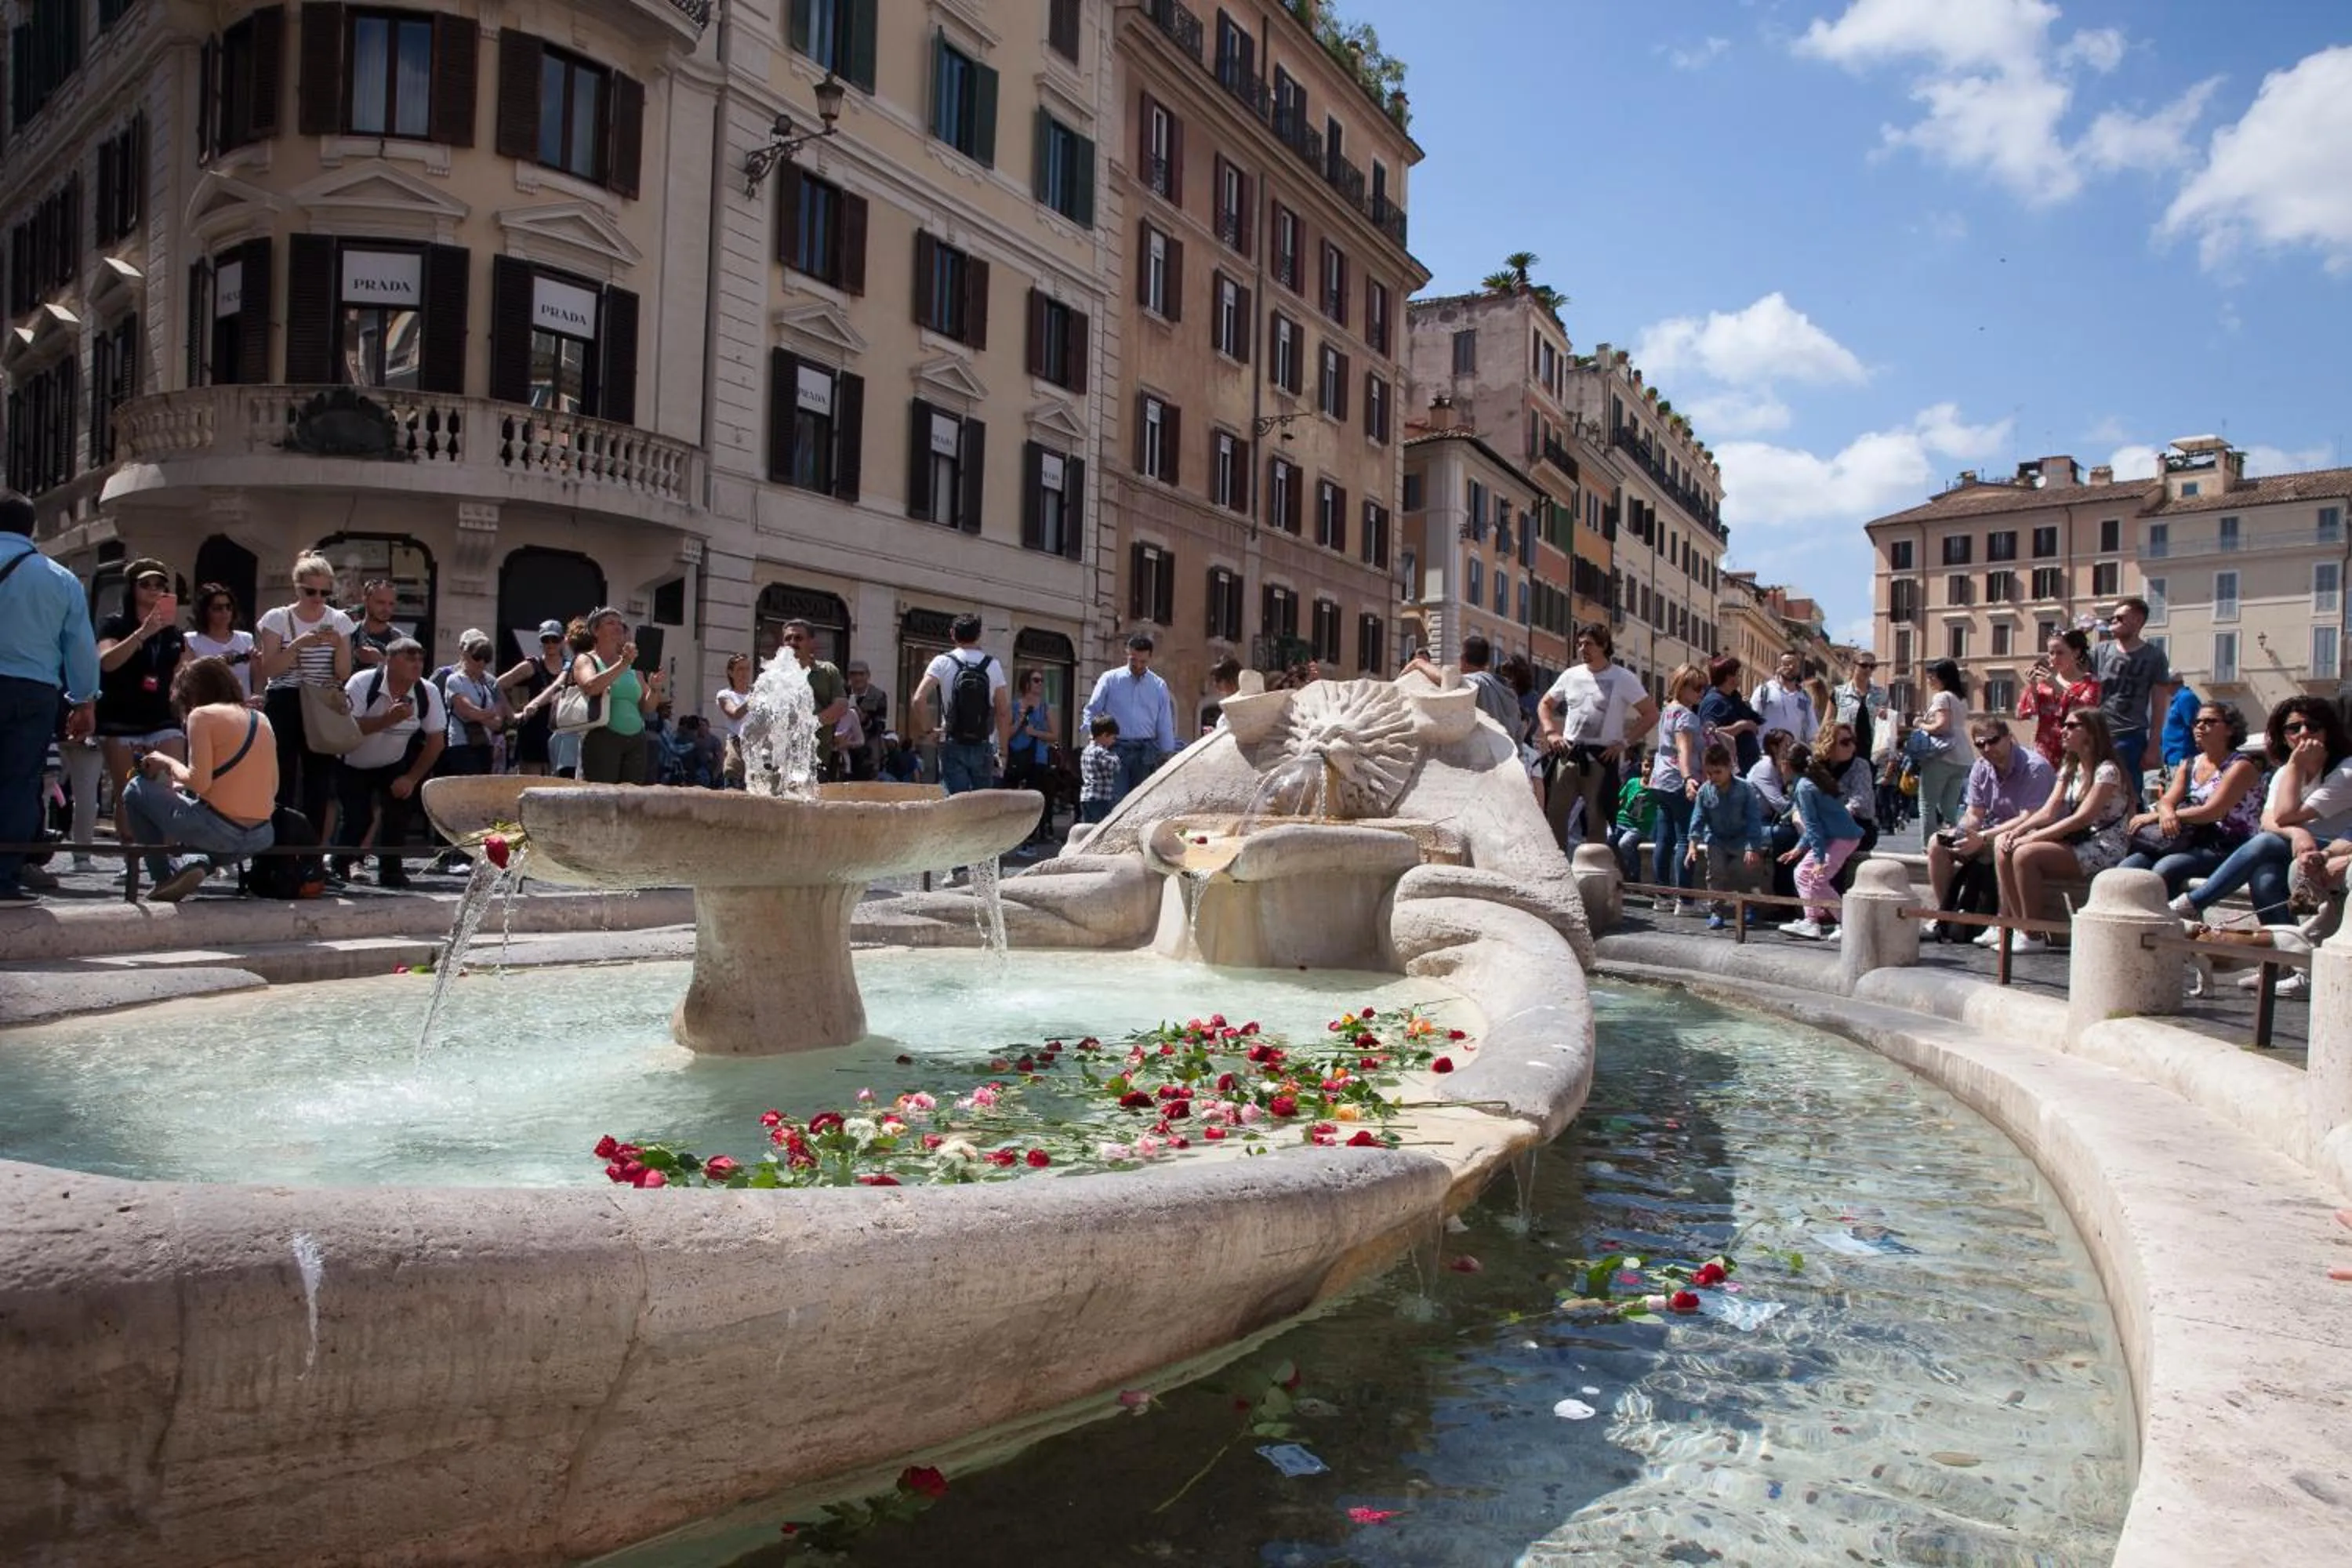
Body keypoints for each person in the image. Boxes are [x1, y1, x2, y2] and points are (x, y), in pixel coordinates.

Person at [0, 495, 101, 903]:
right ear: (32, 529)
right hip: (34, 691)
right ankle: (4, 878)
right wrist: (84, 701)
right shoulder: (61, 579)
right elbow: (80, 646)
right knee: (21, 782)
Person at [2176, 697, 2352, 929]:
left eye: (2313, 726)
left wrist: (2296, 766)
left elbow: (2285, 816)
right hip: (2296, 846)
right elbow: (2267, 820)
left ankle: (2193, 903)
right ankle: (2286, 943)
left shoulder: (2346, 770)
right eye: (2294, 728)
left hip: (2334, 845)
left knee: (2267, 842)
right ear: (2283, 736)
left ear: (2328, 732)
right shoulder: (2285, 771)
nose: (2303, 733)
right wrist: (2298, 834)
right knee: (2265, 875)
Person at [118, 656, 278, 902]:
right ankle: (196, 862)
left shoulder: (202, 715)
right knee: (192, 802)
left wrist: (165, 761)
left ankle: (163, 877)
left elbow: (199, 781)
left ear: (191, 694)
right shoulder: (261, 719)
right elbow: (273, 786)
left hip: (220, 833)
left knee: (135, 789)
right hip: (261, 836)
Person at [1988, 709, 2132, 953]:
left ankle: (2032, 934)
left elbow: (2082, 818)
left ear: (2092, 733)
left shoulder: (2107, 771)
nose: (2063, 731)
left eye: (2072, 726)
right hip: (2077, 840)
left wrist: (2032, 838)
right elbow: (2048, 810)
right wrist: (2019, 831)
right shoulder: (2070, 767)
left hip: (2104, 845)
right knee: (2003, 843)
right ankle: (2016, 927)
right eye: (2064, 725)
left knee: (2026, 854)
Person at [1922, 719, 2056, 938]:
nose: (1987, 748)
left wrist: (1983, 837)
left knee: (2003, 845)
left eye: (1993, 741)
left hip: (2027, 834)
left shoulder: (2035, 767)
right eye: (1980, 744)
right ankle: (1945, 916)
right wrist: (1962, 832)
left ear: (2009, 738)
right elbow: (1975, 813)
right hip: (1990, 833)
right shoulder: (1980, 767)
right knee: (1937, 844)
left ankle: (2002, 924)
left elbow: (2029, 817)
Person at [252, 552, 354, 835]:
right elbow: (269, 669)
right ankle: (279, 846)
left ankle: (311, 851)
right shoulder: (278, 618)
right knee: (281, 777)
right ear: (297, 588)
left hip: (321, 701)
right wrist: (297, 645)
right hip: (285, 699)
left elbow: (343, 672)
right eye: (311, 592)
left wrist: (339, 645)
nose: (318, 599)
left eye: (325, 593)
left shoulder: (339, 620)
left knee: (319, 780)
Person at [331, 637, 444, 887]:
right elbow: (346, 728)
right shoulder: (362, 683)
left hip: (392, 763)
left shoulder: (428, 691)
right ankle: (340, 865)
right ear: (389, 661)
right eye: (409, 658)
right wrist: (387, 720)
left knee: (398, 814)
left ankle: (391, 872)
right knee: (358, 819)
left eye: (421, 658)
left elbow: (436, 741)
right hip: (352, 763)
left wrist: (411, 779)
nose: (417, 664)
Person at [2118, 702, 2263, 897]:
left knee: (2166, 869)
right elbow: (2167, 800)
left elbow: (2212, 812)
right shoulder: (2189, 763)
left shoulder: (2241, 766)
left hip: (2225, 845)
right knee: (2127, 867)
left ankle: (2172, 915)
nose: (2200, 726)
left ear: (2230, 729)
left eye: (2210, 721)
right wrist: (2166, 812)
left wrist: (2158, 817)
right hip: (2187, 839)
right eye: (2197, 722)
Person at [93, 557, 191, 844]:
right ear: (132, 589)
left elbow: (183, 673)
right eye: (146, 584)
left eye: (160, 585)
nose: (153, 589)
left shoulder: (173, 632)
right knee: (128, 789)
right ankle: (132, 857)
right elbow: (107, 662)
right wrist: (143, 633)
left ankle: (167, 857)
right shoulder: (114, 624)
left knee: (169, 787)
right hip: (121, 717)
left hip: (161, 717)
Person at [1538, 622, 1656, 852]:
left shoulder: (1624, 678)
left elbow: (1651, 714)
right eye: (1580, 644)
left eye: (1589, 644)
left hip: (1601, 757)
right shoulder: (1570, 675)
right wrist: (1551, 732)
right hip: (1569, 753)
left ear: (1603, 646)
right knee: (1555, 813)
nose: (1583, 649)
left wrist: (1624, 743)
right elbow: (1545, 703)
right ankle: (1556, 862)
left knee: (1597, 817)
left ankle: (1594, 867)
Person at [913, 615, 1014, 795]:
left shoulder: (942, 662)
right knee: (981, 802)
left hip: (952, 740)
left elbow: (918, 699)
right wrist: (1003, 751)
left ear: (952, 633)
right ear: (979, 636)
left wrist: (929, 731)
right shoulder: (992, 665)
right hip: (984, 742)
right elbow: (1003, 712)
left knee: (955, 801)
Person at [1080, 633, 1178, 807]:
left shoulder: (1158, 686)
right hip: (1114, 750)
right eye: (1134, 660)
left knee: (1142, 805)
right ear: (1127, 653)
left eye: (1143, 662)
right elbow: (1092, 710)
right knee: (1116, 804)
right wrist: (1094, 737)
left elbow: (1164, 722)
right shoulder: (1110, 679)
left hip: (1146, 753)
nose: (1138, 665)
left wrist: (1167, 753)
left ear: (1150, 658)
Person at [570, 608, 666, 785]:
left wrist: (654, 689)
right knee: (601, 795)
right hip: (602, 738)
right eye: (610, 623)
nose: (618, 627)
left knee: (631, 798)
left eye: (620, 623)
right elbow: (591, 687)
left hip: (636, 741)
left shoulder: (632, 665)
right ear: (595, 631)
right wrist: (623, 664)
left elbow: (647, 707)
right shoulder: (586, 660)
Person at [1780, 743, 1864, 942]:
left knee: (1817, 879)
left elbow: (1813, 825)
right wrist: (1799, 849)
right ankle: (1811, 920)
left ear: (1786, 764)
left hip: (1843, 838)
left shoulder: (1804, 787)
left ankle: (1845, 922)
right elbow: (1815, 825)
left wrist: (1818, 860)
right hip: (1833, 837)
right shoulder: (1807, 783)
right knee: (1802, 873)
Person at [1644, 664, 1707, 913]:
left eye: (1703, 688)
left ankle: (1662, 896)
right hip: (1678, 781)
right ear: (1683, 687)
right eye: (1697, 688)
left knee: (1664, 840)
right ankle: (1685, 899)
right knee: (1684, 840)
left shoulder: (1667, 711)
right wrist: (1688, 777)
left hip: (1660, 780)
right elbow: (1684, 749)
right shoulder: (1687, 716)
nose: (1701, 693)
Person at [1686, 742, 1767, 931]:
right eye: (1710, 773)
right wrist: (1693, 845)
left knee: (1745, 872)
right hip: (1716, 838)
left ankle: (1747, 906)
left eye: (1718, 772)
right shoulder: (1705, 791)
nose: (1713, 777)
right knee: (1715, 873)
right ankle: (1717, 911)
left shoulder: (1745, 789)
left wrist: (1752, 847)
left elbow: (1754, 819)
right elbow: (1698, 818)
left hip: (1741, 838)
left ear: (1729, 768)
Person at [2092, 596, 2173, 786]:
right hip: (2098, 733)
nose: (2113, 621)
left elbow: (2159, 706)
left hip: (2130, 736)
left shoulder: (2155, 656)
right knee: (2092, 789)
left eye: (2119, 618)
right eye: (2112, 618)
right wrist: (2078, 636)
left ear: (2137, 620)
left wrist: (2153, 747)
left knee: (2129, 790)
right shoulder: (2100, 651)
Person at [1911, 659, 1977, 847]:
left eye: (1933, 676)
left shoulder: (1941, 697)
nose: (1929, 680)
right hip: (1962, 755)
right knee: (1949, 807)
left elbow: (1942, 726)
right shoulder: (1961, 698)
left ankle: (1929, 847)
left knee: (1927, 805)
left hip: (1941, 755)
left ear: (1944, 678)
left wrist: (1920, 724)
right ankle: (1955, 843)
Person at [775, 619, 850, 778]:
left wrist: (809, 725)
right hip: (781, 761)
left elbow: (841, 706)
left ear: (811, 642)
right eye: (788, 639)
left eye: (798, 638)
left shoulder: (827, 671)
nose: (792, 643)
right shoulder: (773, 674)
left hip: (816, 760)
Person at [497, 621, 570, 777]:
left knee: (558, 784)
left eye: (555, 639)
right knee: (530, 782)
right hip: (533, 733)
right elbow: (497, 685)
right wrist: (511, 714)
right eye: (545, 639)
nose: (550, 644)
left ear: (563, 641)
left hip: (561, 732)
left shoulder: (570, 667)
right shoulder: (532, 665)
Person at [2019, 629, 2100, 767]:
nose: (2054, 657)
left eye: (2060, 653)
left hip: (2076, 754)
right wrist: (2032, 687)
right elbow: (2024, 713)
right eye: (2051, 653)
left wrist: (2057, 687)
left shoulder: (2090, 682)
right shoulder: (2043, 683)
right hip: (2045, 755)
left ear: (2076, 653)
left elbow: (2085, 713)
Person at [435, 630, 506, 779]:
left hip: (484, 744)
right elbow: (467, 710)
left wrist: (480, 715)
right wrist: (488, 715)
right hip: (459, 745)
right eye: (477, 656)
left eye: (486, 657)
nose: (481, 662)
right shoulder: (453, 679)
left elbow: (498, 723)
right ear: (465, 655)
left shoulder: (488, 684)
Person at [1823, 721, 1880, 887]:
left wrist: (1835, 815)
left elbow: (1860, 801)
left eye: (1853, 741)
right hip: (1824, 823)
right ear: (1829, 743)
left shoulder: (1860, 765)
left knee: (1836, 838)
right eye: (1845, 742)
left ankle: (1833, 895)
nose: (1852, 747)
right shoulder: (1817, 767)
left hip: (1858, 825)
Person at [1007, 668, 1057, 841]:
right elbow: (1007, 733)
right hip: (1016, 756)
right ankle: (1010, 832)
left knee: (1033, 797)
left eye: (1042, 680)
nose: (1040, 684)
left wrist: (1035, 732)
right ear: (1026, 683)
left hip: (1037, 758)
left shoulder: (1044, 707)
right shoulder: (1014, 705)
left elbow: (1054, 735)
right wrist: (1020, 721)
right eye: (1036, 680)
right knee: (1011, 796)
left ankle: (1029, 837)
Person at [185, 583, 259, 699]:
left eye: (228, 607)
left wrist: (257, 662)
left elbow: (257, 678)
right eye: (217, 608)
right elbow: (187, 679)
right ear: (205, 611)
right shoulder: (191, 640)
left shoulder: (246, 639)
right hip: (208, 705)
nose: (225, 612)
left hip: (241, 705)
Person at [1751, 651, 1818, 747]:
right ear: (1778, 666)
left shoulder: (1805, 697)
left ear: (1799, 669)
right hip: (1766, 751)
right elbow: (1751, 722)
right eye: (1787, 664)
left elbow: (1812, 730)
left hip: (1792, 753)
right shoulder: (1764, 691)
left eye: (1795, 665)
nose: (1791, 667)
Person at [1457, 634, 1520, 735]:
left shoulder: (1472, 682)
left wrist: (1427, 666)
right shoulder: (1508, 690)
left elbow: (1446, 680)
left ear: (1463, 659)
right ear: (1487, 662)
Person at [1833, 655, 1889, 766]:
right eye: (1864, 665)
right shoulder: (1838, 693)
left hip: (1873, 755)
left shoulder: (1881, 695)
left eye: (1872, 666)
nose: (1868, 669)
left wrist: (1886, 716)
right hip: (1844, 752)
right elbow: (1828, 723)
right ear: (1854, 666)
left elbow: (1888, 726)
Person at [711, 653, 753, 789]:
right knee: (733, 783)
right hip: (737, 744)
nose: (744, 673)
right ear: (731, 673)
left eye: (747, 669)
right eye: (740, 669)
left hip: (756, 744)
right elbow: (735, 713)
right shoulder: (725, 695)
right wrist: (754, 698)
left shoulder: (755, 692)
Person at [1610, 753, 1654, 883]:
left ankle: (1634, 875)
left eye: (1653, 768)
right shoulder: (1632, 782)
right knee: (1609, 839)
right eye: (1646, 766)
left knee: (1625, 843)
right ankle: (1621, 871)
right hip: (1621, 820)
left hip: (1638, 826)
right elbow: (1620, 799)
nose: (1649, 771)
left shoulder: (1657, 790)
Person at [846, 660, 891, 782]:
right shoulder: (843, 693)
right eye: (854, 674)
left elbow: (880, 726)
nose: (858, 678)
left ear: (868, 675)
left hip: (868, 754)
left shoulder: (878, 695)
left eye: (861, 674)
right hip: (845, 751)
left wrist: (864, 719)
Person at [349, 579, 402, 670]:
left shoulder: (401, 641)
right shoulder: (349, 634)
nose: (386, 609)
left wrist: (381, 660)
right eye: (381, 602)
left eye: (391, 604)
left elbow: (406, 675)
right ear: (366, 600)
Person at [1077, 714, 1121, 825]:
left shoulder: (1086, 750)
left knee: (1088, 828)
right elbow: (1114, 766)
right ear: (1104, 735)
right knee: (1100, 828)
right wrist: (1116, 756)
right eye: (1113, 738)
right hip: (1100, 799)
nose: (1114, 741)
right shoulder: (1100, 752)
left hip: (1086, 797)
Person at [2159, 684, 2204, 779]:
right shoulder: (2174, 699)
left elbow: (2196, 726)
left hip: (2183, 760)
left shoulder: (2186, 698)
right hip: (2172, 760)